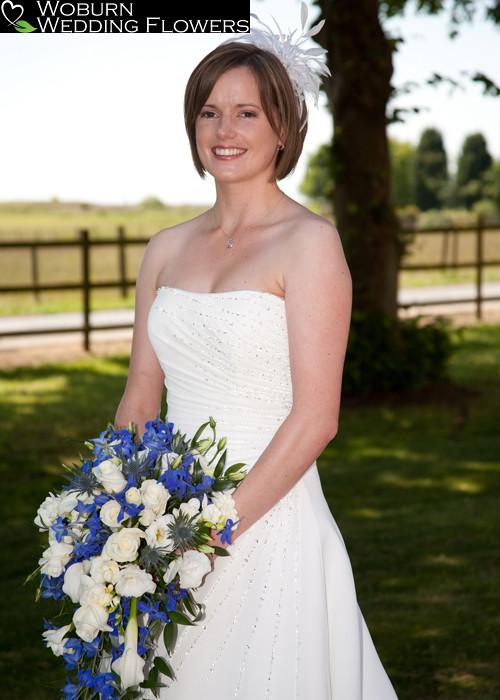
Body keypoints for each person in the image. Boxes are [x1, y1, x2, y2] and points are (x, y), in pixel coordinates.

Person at [115, 6, 399, 699]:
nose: (224, 130)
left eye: (247, 113)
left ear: (283, 128)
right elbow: (139, 395)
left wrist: (210, 535)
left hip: (267, 522)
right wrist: (121, 516)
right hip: (163, 520)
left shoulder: (311, 244)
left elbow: (317, 419)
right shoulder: (165, 248)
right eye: (210, 112)